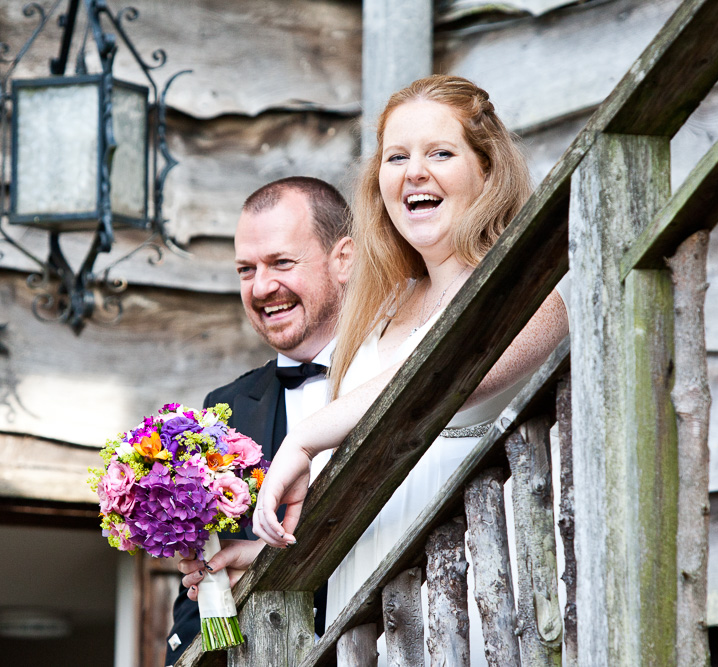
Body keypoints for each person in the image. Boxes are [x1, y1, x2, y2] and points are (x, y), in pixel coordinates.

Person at [252, 75, 569, 652]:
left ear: (488, 171)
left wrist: (303, 439)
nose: (414, 172)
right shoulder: (381, 307)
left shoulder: (534, 297)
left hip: (476, 605)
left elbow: (441, 375)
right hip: (367, 618)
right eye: (396, 157)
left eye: (440, 153)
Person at [163, 176, 354, 665]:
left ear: (344, 260)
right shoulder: (223, 409)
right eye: (246, 269)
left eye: (282, 262)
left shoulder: (389, 370)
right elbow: (206, 580)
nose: (263, 287)